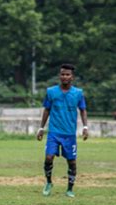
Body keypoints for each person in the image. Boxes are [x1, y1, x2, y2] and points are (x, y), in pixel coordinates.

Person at [37, 64, 89, 198]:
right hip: (54, 132)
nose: (64, 77)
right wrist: (41, 128)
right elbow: (47, 110)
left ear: (72, 77)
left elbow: (83, 110)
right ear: (59, 76)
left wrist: (85, 127)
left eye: (67, 74)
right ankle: (48, 182)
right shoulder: (51, 92)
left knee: (72, 162)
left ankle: (70, 189)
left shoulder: (78, 93)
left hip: (69, 134)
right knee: (49, 157)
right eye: (62, 74)